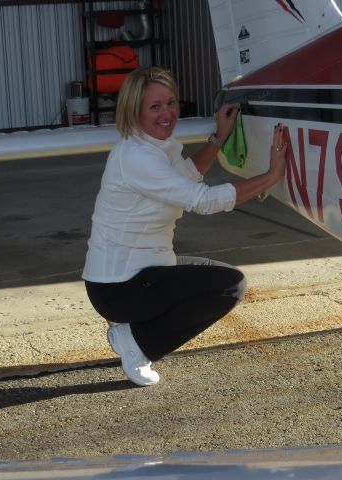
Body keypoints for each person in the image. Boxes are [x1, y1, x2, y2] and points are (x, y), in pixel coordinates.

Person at [82, 66, 287, 387]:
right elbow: (203, 200)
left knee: (213, 277)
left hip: (136, 276)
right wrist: (270, 177)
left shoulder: (154, 146)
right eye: (155, 106)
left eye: (171, 102)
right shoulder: (137, 157)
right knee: (230, 285)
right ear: (134, 111)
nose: (167, 113)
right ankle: (137, 342)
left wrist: (218, 138)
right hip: (121, 288)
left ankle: (135, 334)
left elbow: (188, 175)